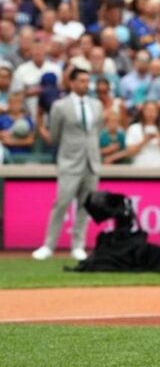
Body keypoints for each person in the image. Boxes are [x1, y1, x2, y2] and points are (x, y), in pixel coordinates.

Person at [32, 68, 103, 261]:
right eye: (81, 81)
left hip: (92, 162)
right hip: (69, 162)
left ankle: (78, 246)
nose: (85, 84)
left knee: (85, 205)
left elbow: (97, 132)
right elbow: (55, 135)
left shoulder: (96, 105)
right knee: (61, 203)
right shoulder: (60, 106)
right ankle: (48, 245)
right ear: (71, 83)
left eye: (87, 81)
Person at [125, 101, 160, 167]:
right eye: (148, 110)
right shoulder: (133, 128)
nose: (151, 113)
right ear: (142, 112)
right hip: (139, 167)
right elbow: (130, 153)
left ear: (158, 113)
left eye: (153, 110)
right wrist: (144, 141)